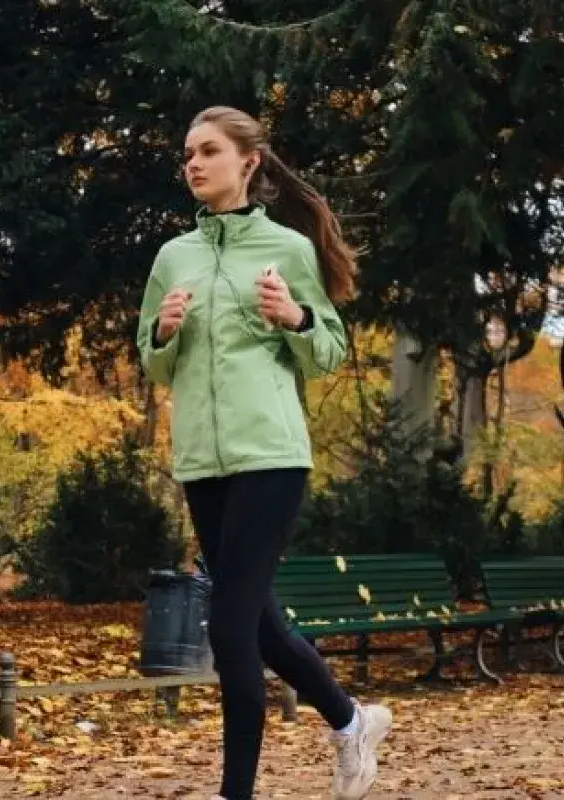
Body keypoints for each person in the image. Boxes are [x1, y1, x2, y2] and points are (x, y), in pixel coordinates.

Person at [135, 105, 392, 800]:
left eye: (208, 151)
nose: (193, 163)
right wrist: (161, 332)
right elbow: (152, 363)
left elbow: (329, 350)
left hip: (271, 456)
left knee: (228, 622)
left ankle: (235, 793)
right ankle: (349, 721)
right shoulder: (173, 258)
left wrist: (297, 318)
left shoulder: (287, 251)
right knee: (263, 624)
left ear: (248, 162)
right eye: (187, 153)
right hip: (201, 462)